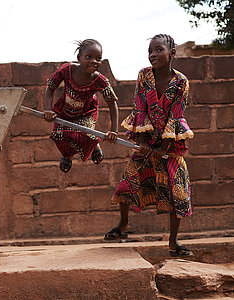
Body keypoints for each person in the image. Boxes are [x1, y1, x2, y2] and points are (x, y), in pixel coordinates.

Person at [104, 34, 194, 257]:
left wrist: (163, 148)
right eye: (150, 51)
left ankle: (173, 243)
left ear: (171, 53)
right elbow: (139, 108)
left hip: (170, 144)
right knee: (128, 184)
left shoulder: (181, 82)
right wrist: (143, 142)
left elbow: (176, 115)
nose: (153, 55)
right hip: (145, 140)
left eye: (159, 50)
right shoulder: (144, 76)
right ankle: (123, 225)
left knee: (177, 192)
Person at [43, 39, 119, 173]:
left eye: (98, 58)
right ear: (79, 58)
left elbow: (112, 104)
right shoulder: (66, 70)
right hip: (64, 110)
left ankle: (94, 144)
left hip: (86, 112)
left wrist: (114, 131)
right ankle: (67, 155)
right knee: (59, 135)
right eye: (89, 57)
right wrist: (48, 109)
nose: (94, 61)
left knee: (86, 134)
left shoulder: (100, 80)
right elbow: (50, 87)